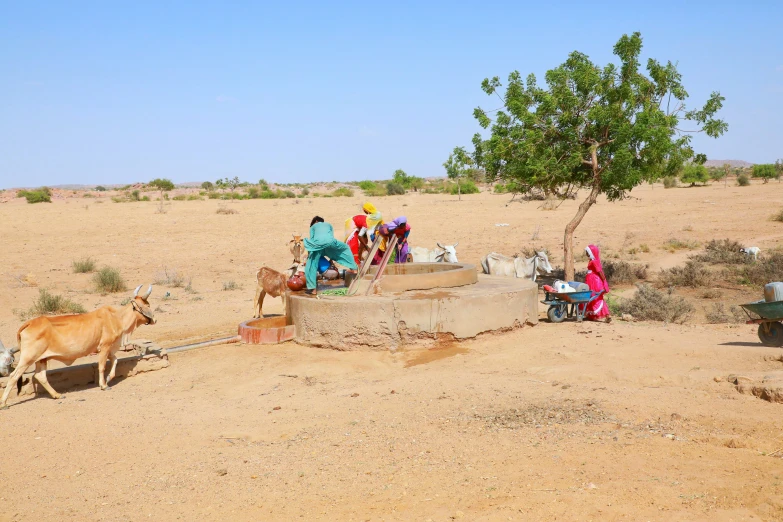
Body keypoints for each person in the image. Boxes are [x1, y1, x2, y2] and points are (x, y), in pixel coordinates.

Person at [303, 216, 358, 296]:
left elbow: (312, 240)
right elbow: (330, 237)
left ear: (316, 221)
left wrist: (310, 255)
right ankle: (354, 269)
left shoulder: (313, 227)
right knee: (345, 248)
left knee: (311, 265)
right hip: (330, 242)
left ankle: (313, 289)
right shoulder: (328, 225)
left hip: (318, 244)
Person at [584, 244, 611, 322]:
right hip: (591, 280)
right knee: (594, 297)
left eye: (587, 252)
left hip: (594, 282)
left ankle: (607, 315)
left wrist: (604, 281)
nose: (586, 253)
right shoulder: (592, 260)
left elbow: (600, 272)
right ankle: (602, 315)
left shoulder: (594, 262)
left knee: (596, 297)